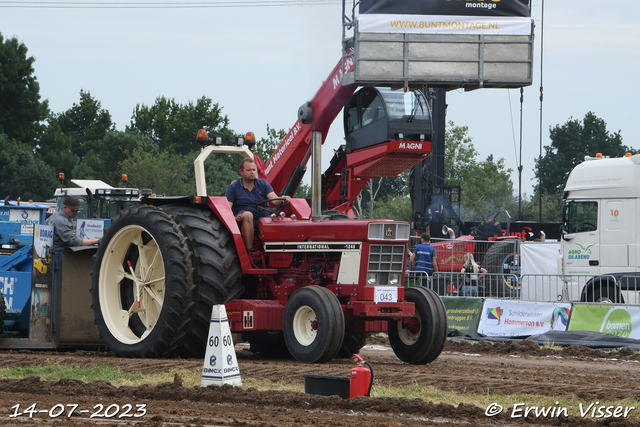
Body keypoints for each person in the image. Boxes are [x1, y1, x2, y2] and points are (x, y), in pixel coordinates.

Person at [225, 158, 291, 251]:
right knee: (248, 215)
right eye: (248, 170)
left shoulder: (263, 184)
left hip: (261, 218)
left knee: (281, 220)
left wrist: (283, 198)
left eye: (253, 170)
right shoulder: (234, 187)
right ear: (241, 172)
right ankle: (249, 251)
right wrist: (233, 219)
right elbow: (227, 208)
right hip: (243, 218)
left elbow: (274, 200)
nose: (252, 172)